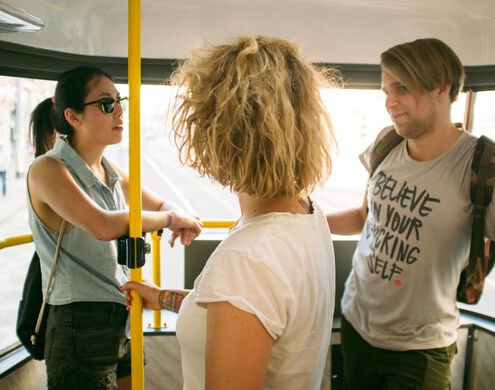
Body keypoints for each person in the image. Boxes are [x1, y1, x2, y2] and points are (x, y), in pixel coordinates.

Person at [326, 38, 495, 389]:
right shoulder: (386, 144)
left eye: (402, 88)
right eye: (385, 90)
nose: (389, 102)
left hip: (418, 353)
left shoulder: (487, 170)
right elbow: (365, 218)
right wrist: (305, 218)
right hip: (355, 325)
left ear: (442, 88)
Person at [122, 36, 338, 389]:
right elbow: (250, 306)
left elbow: (250, 287)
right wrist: (163, 298)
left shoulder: (249, 258)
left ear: (222, 134)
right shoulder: (309, 214)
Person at [26, 65, 202, 390]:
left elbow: (161, 205)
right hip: (78, 323)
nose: (120, 111)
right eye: (107, 104)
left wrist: (181, 218)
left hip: (122, 314)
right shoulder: (48, 170)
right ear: (74, 116)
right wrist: (170, 221)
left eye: (119, 100)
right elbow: (103, 225)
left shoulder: (108, 169)